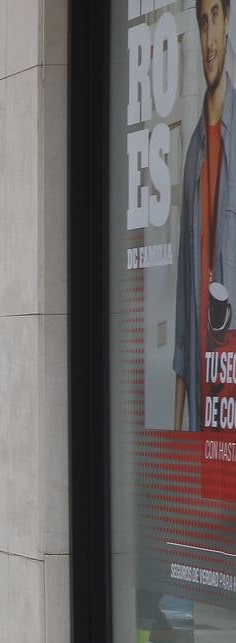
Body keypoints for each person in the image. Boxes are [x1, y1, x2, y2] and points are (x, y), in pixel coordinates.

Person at [175, 0, 236, 431]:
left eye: (215, 17)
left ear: (228, 22)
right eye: (201, 22)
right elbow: (183, 299)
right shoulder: (194, 152)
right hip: (203, 394)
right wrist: (176, 430)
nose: (208, 39)